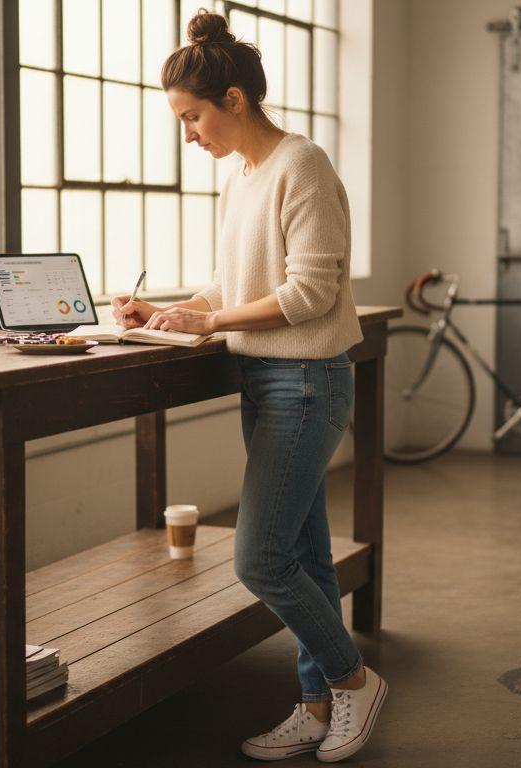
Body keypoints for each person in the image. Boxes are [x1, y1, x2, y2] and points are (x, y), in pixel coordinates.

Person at [109, 9, 387, 763]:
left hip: (306, 382)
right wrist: (175, 312)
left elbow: (310, 295)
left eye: (191, 117)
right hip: (265, 380)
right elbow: (232, 283)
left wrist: (211, 324)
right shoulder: (245, 177)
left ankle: (353, 679)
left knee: (258, 560)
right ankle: (315, 703)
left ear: (235, 100)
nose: (187, 135)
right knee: (305, 554)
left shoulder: (304, 165)